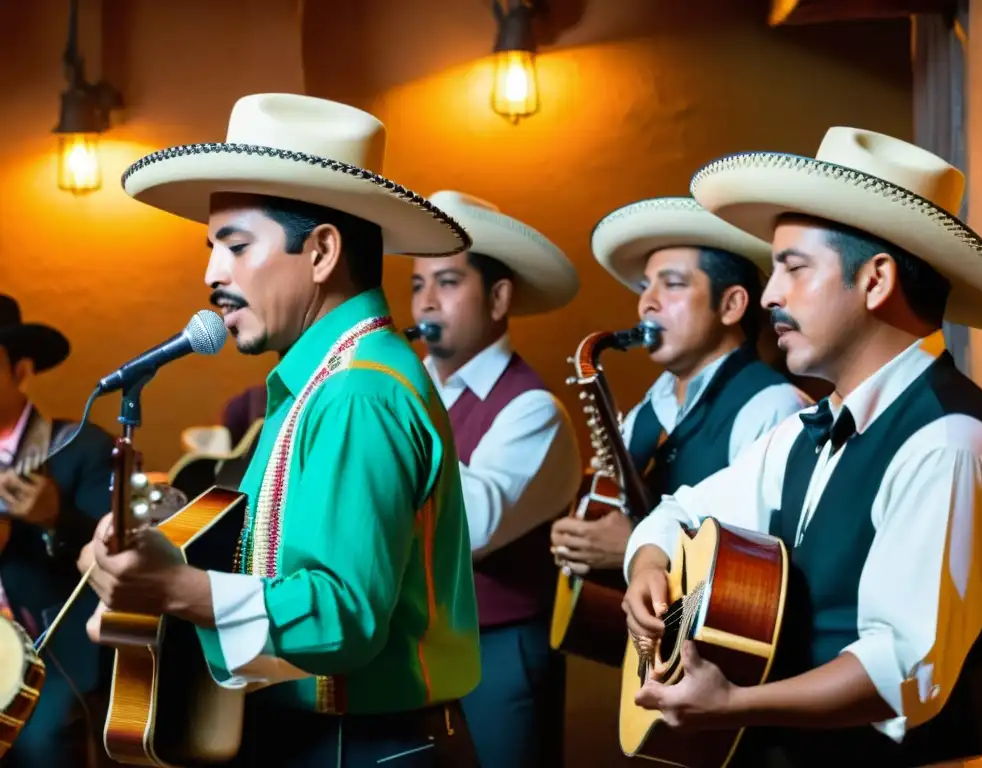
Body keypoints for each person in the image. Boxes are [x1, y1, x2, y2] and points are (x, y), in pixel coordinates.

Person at [78, 93, 483, 767]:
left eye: (236, 247)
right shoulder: (323, 382)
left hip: (366, 747)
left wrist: (173, 589)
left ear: (322, 251)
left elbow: (341, 614)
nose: (211, 275)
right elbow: (283, 558)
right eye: (212, 249)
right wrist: (173, 541)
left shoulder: (358, 393)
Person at [621, 127, 982, 767]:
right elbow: (680, 512)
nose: (769, 295)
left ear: (875, 281)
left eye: (793, 268)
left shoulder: (952, 444)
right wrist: (647, 568)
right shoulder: (806, 430)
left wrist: (732, 706)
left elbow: (901, 672)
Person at [410, 190, 582, 768]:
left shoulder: (533, 411)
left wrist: (400, 408)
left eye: (448, 282)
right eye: (417, 285)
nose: (426, 303)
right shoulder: (410, 386)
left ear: (499, 297)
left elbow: (474, 524)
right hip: (412, 647)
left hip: (500, 651)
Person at [551, 196, 809, 581]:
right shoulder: (644, 413)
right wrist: (583, 535)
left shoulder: (773, 407)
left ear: (732, 305)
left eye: (672, 285)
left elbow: (765, 575)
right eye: (644, 286)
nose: (647, 304)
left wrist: (634, 548)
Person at [0, 295, 114, 768]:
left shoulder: (83, 447)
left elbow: (122, 558)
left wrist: (57, 518)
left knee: (39, 744)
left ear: (21, 371)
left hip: (46, 654)